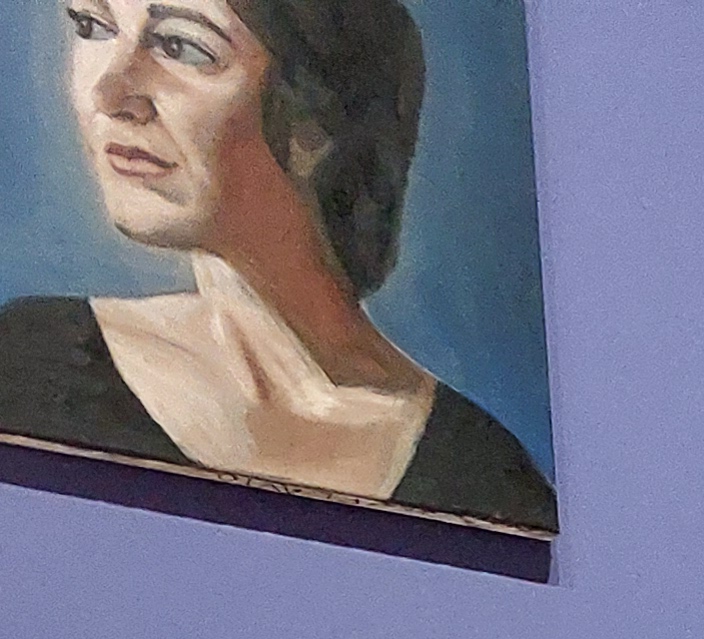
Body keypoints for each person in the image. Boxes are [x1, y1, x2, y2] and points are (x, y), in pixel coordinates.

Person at [0, 0, 556, 530]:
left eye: (182, 46)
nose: (110, 91)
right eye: (93, 26)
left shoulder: (483, 477)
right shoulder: (28, 360)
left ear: (318, 117)